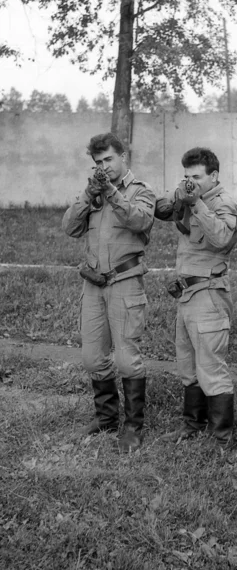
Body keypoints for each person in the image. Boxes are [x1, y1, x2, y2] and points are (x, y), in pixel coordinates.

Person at [62, 132, 156, 453]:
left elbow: (140, 220)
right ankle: (106, 417)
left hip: (125, 284)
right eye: (98, 162)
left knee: (127, 359)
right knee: (91, 358)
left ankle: (132, 427)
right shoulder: (93, 193)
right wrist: (89, 194)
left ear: (123, 156)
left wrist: (112, 193)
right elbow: (69, 228)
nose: (104, 166)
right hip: (93, 284)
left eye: (109, 160)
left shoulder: (141, 192)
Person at [155, 147, 237, 448]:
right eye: (186, 176)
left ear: (214, 175)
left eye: (197, 176)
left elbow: (221, 239)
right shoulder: (188, 195)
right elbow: (161, 208)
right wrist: (181, 195)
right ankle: (192, 424)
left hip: (209, 294)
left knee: (211, 368)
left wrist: (197, 205)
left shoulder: (224, 203)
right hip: (187, 294)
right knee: (188, 365)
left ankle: (222, 437)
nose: (191, 181)